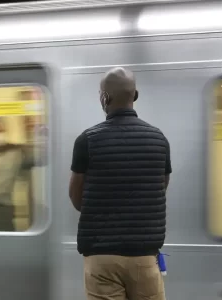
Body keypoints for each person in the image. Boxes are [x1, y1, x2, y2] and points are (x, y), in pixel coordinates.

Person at [68, 67, 172, 300]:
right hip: (144, 256)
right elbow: (160, 188)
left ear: (105, 97)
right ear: (135, 95)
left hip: (101, 257)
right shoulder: (159, 139)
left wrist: (104, 209)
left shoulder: (87, 140)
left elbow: (76, 197)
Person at [0, 116, 46, 232]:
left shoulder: (17, 154)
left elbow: (42, 156)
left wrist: (36, 130)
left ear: (5, 131)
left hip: (5, 211)